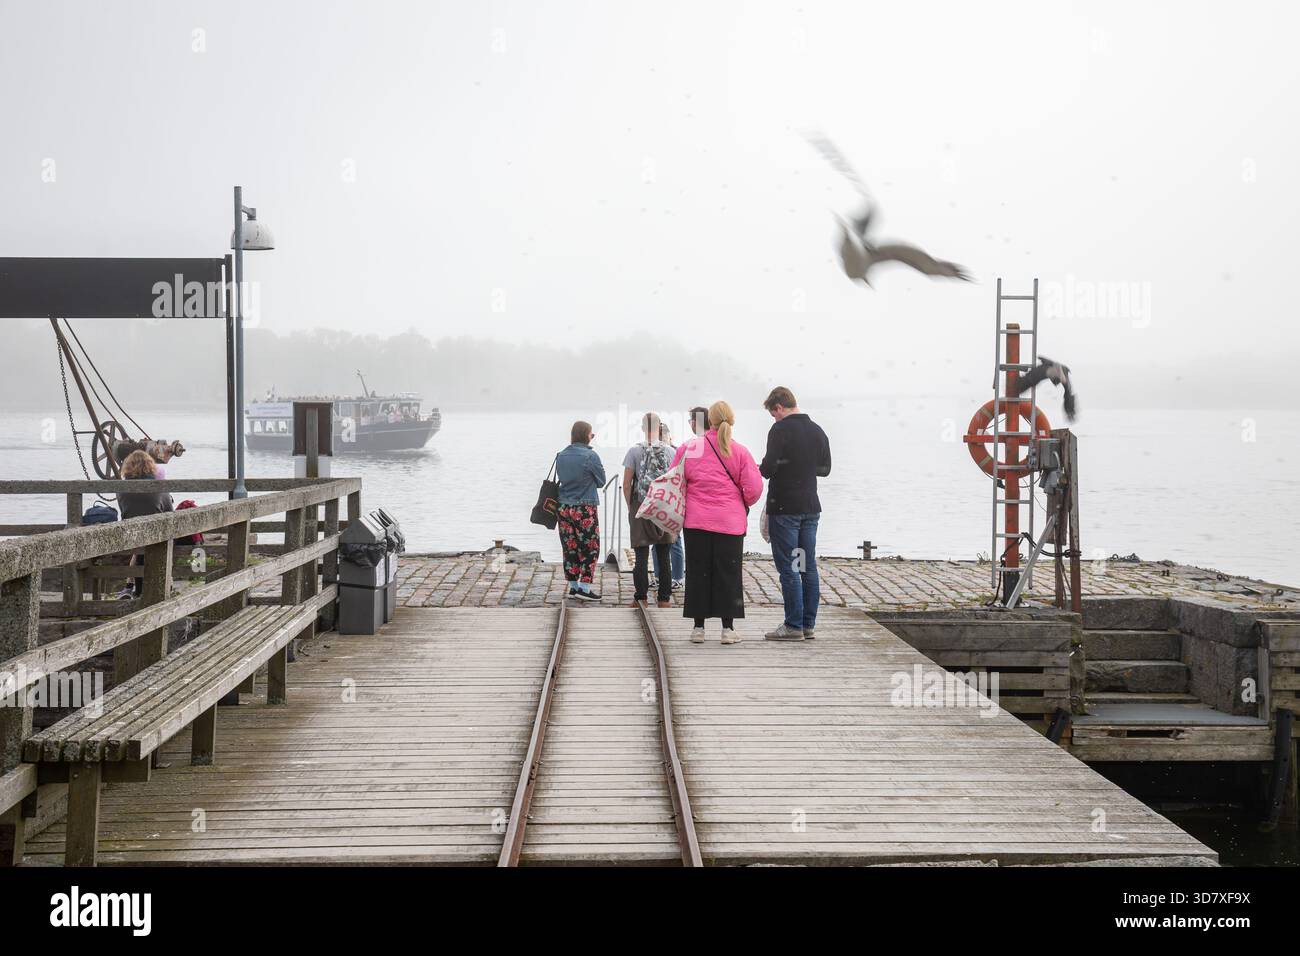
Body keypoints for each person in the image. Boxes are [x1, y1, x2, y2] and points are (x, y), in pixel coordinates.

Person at [671, 401, 762, 644]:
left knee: (698, 572)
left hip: (696, 521)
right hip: (729, 522)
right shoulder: (740, 451)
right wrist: (740, 501)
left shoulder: (688, 448)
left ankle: (698, 628)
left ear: (708, 421)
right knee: (729, 574)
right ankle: (727, 629)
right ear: (730, 420)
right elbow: (753, 489)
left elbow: (674, 481)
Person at [759, 386, 832, 641]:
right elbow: (825, 469)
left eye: (773, 414)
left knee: (789, 567)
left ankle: (793, 625)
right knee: (805, 565)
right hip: (810, 509)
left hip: (785, 508)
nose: (774, 419)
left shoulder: (780, 430)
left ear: (779, 408)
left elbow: (767, 469)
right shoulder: (817, 430)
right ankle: (807, 624)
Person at [623, 412, 674, 607]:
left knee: (641, 556)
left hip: (641, 505)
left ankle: (641, 598)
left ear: (643, 428)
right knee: (664, 556)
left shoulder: (634, 452)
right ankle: (664, 599)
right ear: (659, 428)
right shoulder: (670, 451)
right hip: (663, 507)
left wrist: (630, 507)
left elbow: (627, 484)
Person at [555, 420, 606, 601]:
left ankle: (573, 586)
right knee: (590, 547)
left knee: (570, 547)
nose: (592, 438)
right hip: (584, 508)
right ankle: (584, 588)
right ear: (586, 435)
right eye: (592, 435)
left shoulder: (561, 455)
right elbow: (601, 481)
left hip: (563, 507)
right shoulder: (591, 456)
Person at [117, 450, 174, 599]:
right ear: (150, 466)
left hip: (131, 533)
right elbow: (169, 511)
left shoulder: (121, 488)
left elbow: (124, 510)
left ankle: (136, 590)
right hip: (156, 534)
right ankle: (160, 587)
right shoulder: (159, 487)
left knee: (141, 547)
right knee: (156, 540)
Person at [651, 421, 685, 591]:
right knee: (658, 540)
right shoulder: (655, 452)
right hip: (661, 500)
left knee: (673, 540)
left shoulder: (677, 452)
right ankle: (661, 576)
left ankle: (677, 577)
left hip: (671, 500)